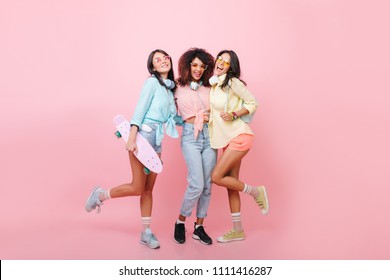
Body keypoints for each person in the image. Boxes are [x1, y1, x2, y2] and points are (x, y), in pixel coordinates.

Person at [85, 49, 178, 249]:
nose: (163, 61)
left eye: (165, 58)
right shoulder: (152, 82)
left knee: (148, 189)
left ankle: (146, 232)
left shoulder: (170, 89)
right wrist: (132, 137)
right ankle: (100, 195)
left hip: (158, 140)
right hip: (143, 137)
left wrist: (195, 118)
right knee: (137, 187)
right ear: (152, 67)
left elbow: (172, 118)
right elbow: (140, 109)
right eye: (157, 60)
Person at [208, 50, 269, 243]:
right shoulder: (215, 85)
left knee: (217, 177)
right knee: (231, 185)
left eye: (226, 62)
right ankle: (238, 230)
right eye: (220, 59)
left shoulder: (232, 82)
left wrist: (234, 114)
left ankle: (256, 191)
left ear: (231, 67)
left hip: (239, 136)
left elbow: (253, 103)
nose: (221, 63)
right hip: (227, 139)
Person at [173, 48, 216, 245]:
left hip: (210, 135)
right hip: (191, 135)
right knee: (196, 183)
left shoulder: (210, 87)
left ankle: (199, 227)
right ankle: (180, 221)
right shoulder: (176, 86)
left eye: (202, 66)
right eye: (194, 65)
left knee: (207, 185)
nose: (198, 69)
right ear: (187, 66)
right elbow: (167, 110)